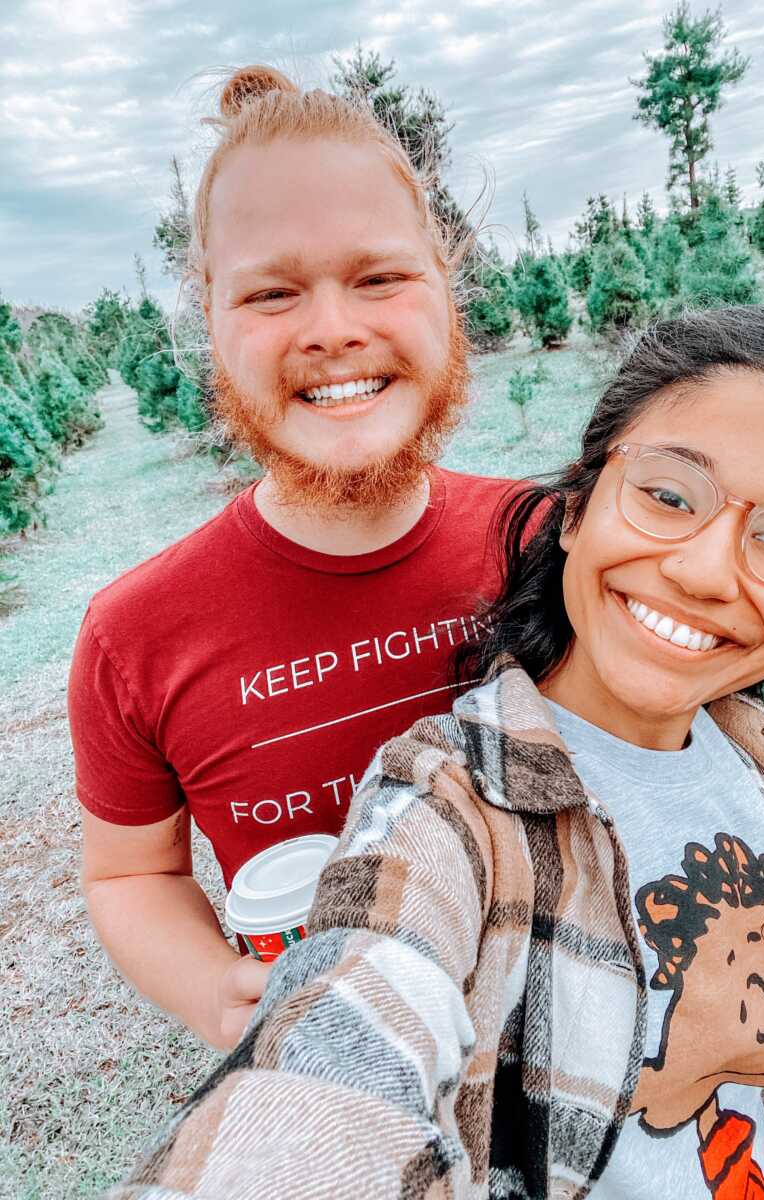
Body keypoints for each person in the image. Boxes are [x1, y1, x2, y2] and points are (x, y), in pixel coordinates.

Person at [108, 304, 764, 1200]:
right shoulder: (448, 807)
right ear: (575, 511)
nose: (710, 570)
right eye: (670, 494)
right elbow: (359, 1013)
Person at [68, 65, 513, 1053]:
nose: (331, 330)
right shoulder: (133, 636)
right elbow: (131, 875)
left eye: (380, 276)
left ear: (449, 285)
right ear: (210, 329)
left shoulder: (552, 543)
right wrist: (215, 992)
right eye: (272, 293)